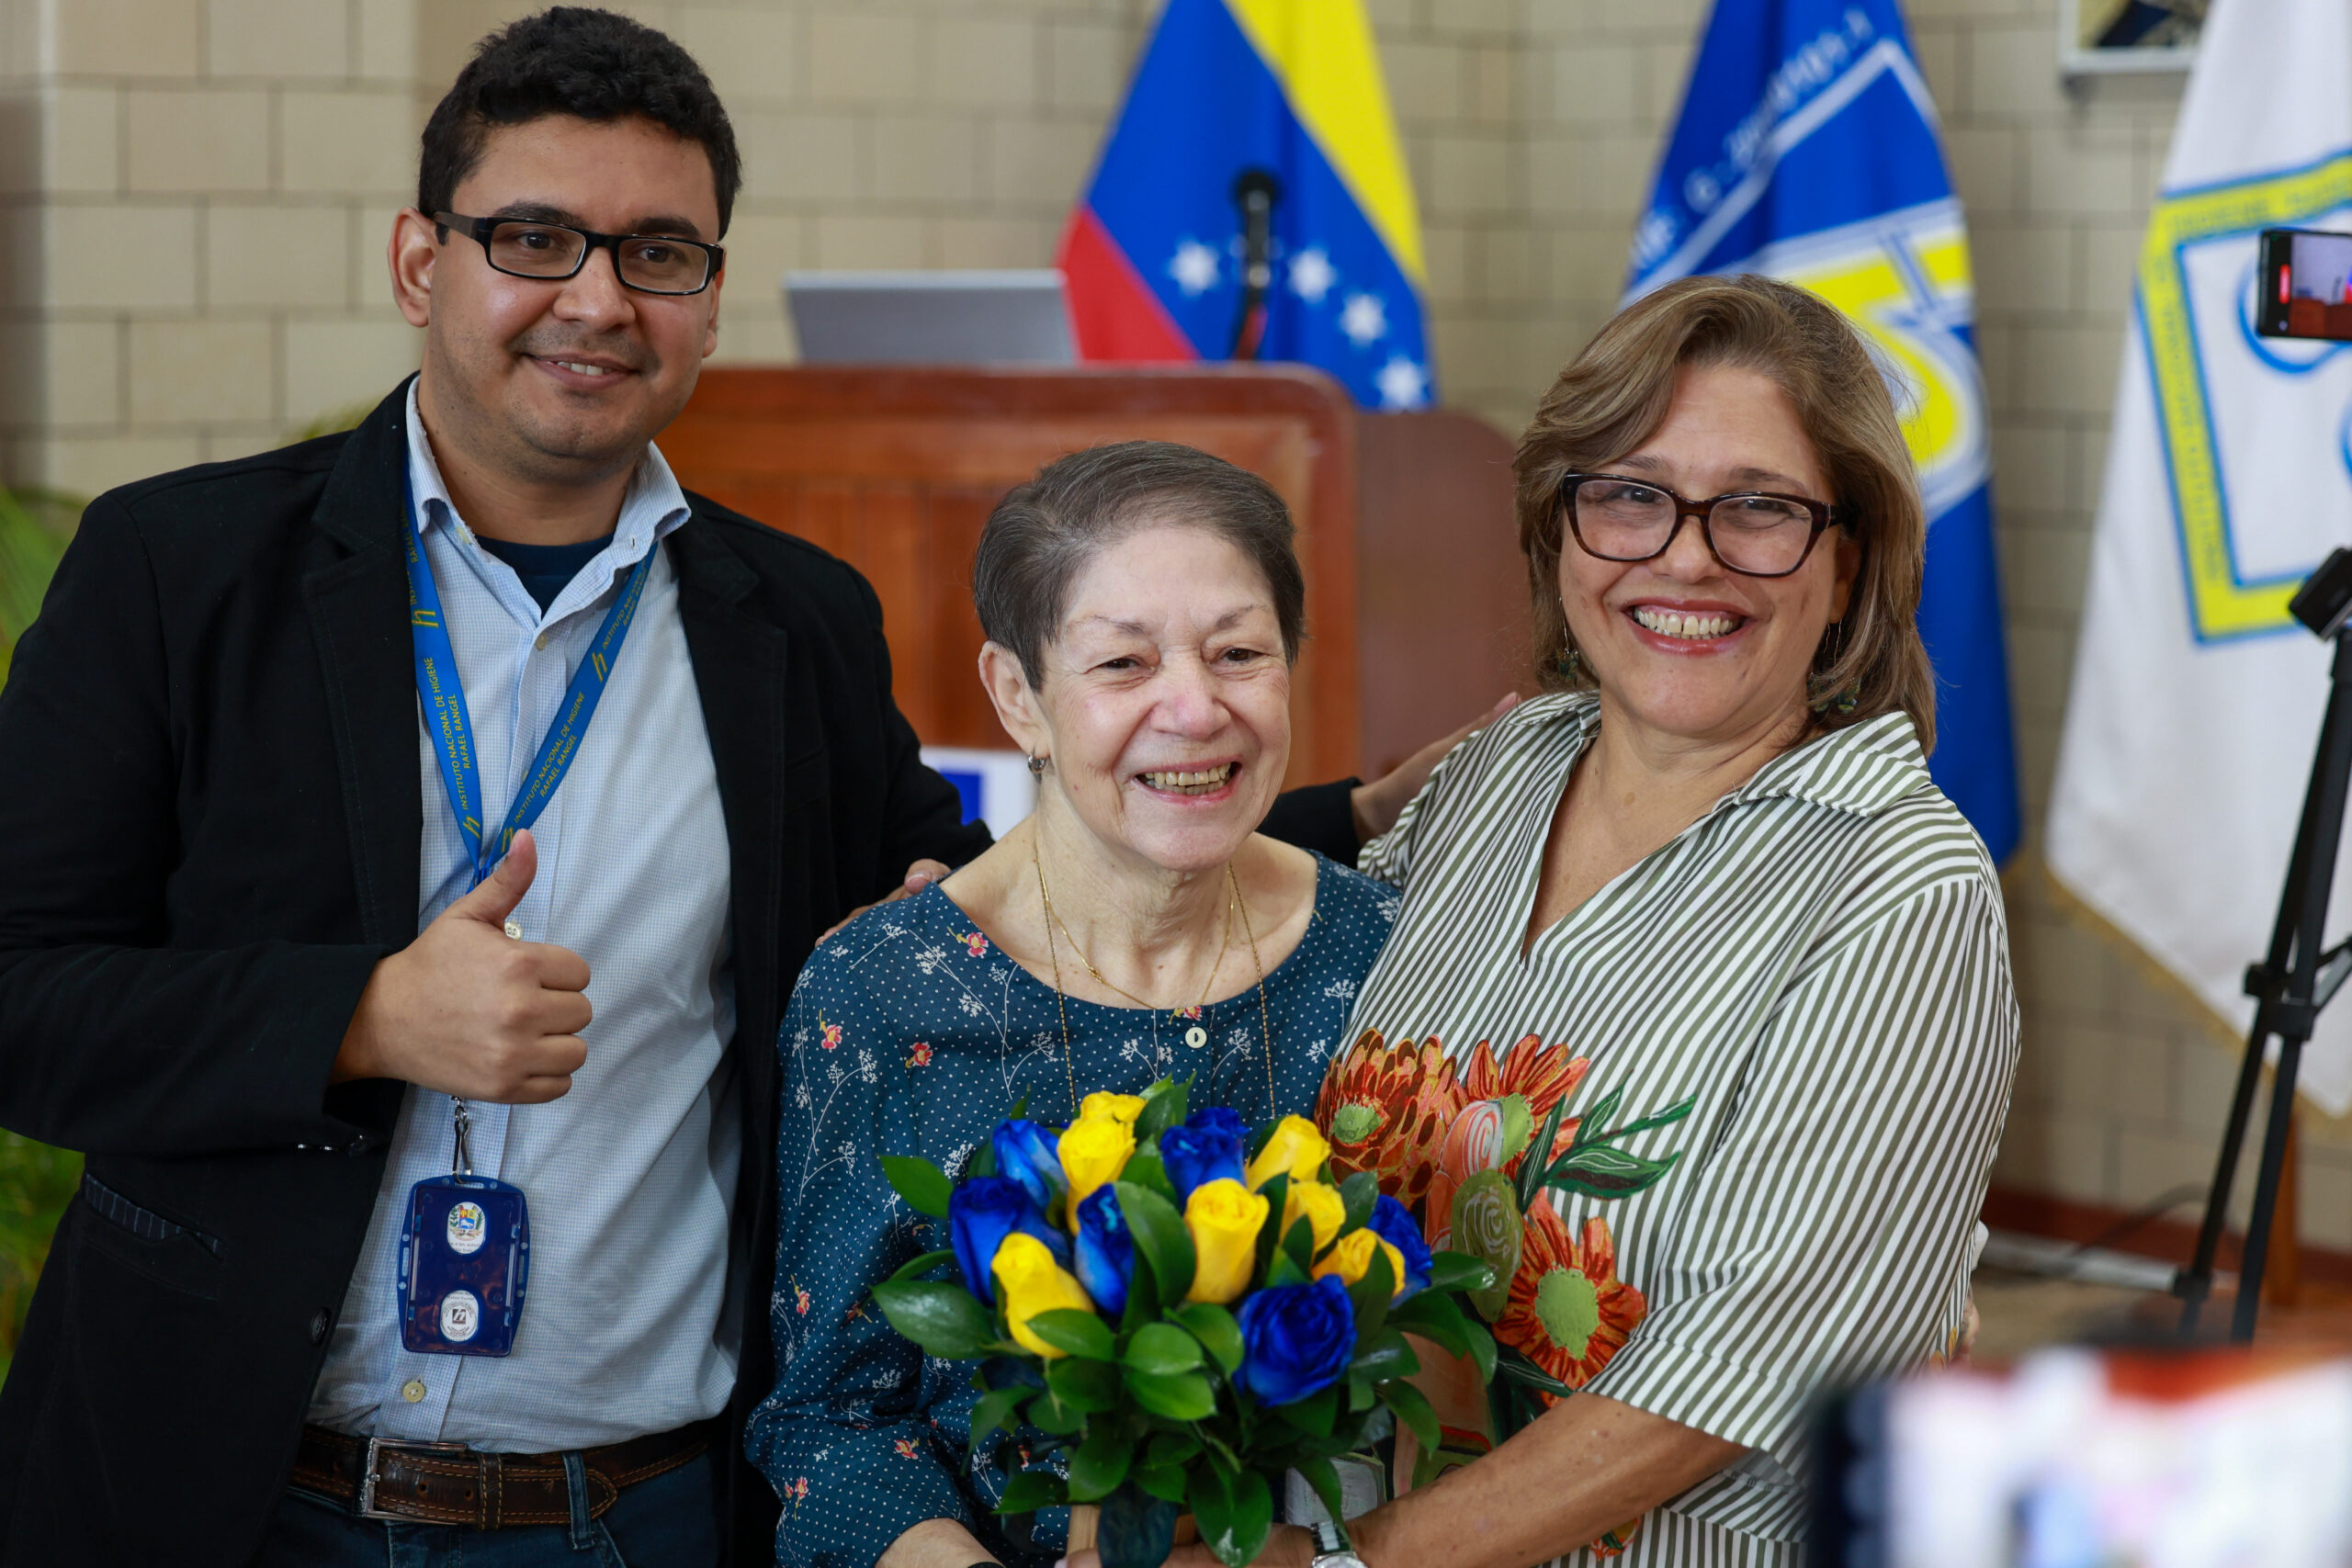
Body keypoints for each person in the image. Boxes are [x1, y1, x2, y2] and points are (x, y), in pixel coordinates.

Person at [0, 13, 1446, 1567]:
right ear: (423, 262)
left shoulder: (791, 618)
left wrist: (1327, 821)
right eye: (536, 238)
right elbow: (22, 996)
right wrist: (359, 1017)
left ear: (709, 293)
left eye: (661, 253)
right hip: (229, 1494)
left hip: (643, 1514)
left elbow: (984, 893)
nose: (599, 299)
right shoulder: (181, 572)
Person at [1073, 276, 2019, 1568]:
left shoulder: (1902, 889)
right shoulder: (1506, 766)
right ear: (1560, 528)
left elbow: (1748, 1359)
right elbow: (1281, 987)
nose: (1684, 554)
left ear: (1850, 556)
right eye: (1630, 494)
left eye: (1758, 507)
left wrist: (1351, 1562)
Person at [749, 443, 1401, 1568]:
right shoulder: (880, 991)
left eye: (1239, 653)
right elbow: (830, 1423)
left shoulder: (1387, 950)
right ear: (1019, 696)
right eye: (1123, 664)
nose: (1194, 711)